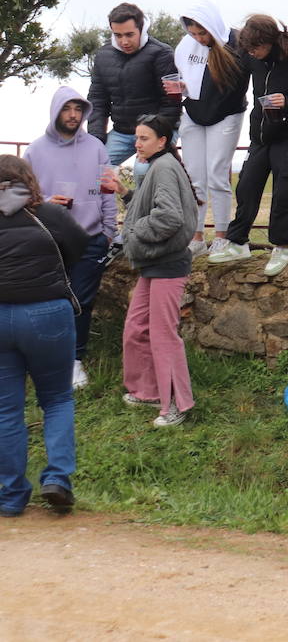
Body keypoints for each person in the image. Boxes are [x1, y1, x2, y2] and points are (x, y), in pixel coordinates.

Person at [0, 155, 89, 517]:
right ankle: (57, 479)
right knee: (56, 399)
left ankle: (11, 495)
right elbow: (81, 247)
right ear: (28, 181)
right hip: (48, 313)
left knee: (6, 408)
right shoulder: (49, 214)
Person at [209, 16, 288, 276]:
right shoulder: (252, 57)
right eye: (248, 50)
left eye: (256, 49)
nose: (252, 54)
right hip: (260, 135)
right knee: (247, 185)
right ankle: (238, 243)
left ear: (271, 41)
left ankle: (282, 247)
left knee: (284, 188)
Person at [106, 114, 199, 428]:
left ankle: (175, 404)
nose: (137, 144)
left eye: (144, 138)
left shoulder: (164, 168)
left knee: (162, 335)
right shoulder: (161, 167)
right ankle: (146, 390)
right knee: (136, 328)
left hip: (168, 266)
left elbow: (169, 217)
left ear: (163, 141)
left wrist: (133, 232)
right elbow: (149, 206)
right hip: (153, 265)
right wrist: (125, 192)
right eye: (136, 137)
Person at [23, 86, 118, 389]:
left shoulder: (96, 147)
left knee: (81, 300)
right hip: (48, 238)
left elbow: (107, 191)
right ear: (56, 111)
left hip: (91, 237)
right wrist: (49, 202)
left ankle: (74, 362)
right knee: (48, 300)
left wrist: (108, 232)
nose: (74, 115)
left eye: (78, 109)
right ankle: (44, 358)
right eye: (68, 109)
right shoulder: (35, 150)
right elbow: (25, 195)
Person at [174, 1, 249, 257]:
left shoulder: (236, 43)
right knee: (195, 177)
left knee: (217, 175)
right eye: (193, 33)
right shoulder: (187, 46)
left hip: (225, 114)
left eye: (202, 33)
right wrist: (182, 88)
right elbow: (186, 76)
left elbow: (235, 87)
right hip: (193, 114)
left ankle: (221, 236)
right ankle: (196, 237)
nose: (199, 38)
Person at [86, 2, 180, 176]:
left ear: (142, 29)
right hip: (122, 131)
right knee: (94, 169)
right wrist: (96, 138)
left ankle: (146, 204)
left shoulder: (162, 54)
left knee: (143, 171)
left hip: (158, 131)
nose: (124, 41)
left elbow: (172, 103)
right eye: (118, 35)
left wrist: (152, 138)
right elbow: (97, 100)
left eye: (129, 34)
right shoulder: (103, 56)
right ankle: (105, 204)